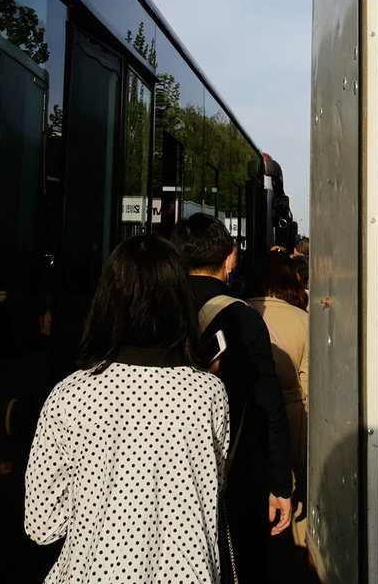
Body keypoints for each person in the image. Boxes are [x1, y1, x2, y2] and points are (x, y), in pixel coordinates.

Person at [24, 235, 230, 583]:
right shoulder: (208, 392)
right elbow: (214, 485)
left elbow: (42, 525)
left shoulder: (70, 394)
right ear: (180, 302)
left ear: (107, 301)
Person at [171, 213, 293, 583]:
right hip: (234, 471)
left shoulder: (155, 309)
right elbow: (267, 405)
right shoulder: (243, 318)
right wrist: (279, 484)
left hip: (164, 468)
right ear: (230, 259)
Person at [245, 250, 311, 571]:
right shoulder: (303, 320)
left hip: (249, 418)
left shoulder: (239, 313)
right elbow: (308, 387)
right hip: (293, 419)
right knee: (295, 507)